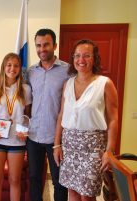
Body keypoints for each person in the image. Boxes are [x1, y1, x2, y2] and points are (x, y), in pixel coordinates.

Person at [53, 39, 118, 200]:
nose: (81, 60)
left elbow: (113, 120)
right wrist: (56, 145)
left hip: (93, 147)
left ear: (94, 58)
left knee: (87, 195)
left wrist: (109, 151)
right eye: (77, 55)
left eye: (87, 56)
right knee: (72, 191)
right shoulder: (68, 84)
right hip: (69, 145)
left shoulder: (105, 84)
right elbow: (62, 114)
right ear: (73, 58)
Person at [0, 53, 32, 201]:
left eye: (16, 65)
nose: (12, 68)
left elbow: (28, 116)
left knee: (15, 181)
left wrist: (25, 130)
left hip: (17, 141)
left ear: (20, 68)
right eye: (9, 65)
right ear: (3, 67)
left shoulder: (25, 89)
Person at [27, 28, 68, 201]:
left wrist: (59, 141)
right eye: (38, 45)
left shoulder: (68, 70)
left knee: (59, 182)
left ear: (55, 45)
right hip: (33, 135)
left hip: (56, 138)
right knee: (35, 179)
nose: (42, 49)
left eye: (46, 45)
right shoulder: (30, 72)